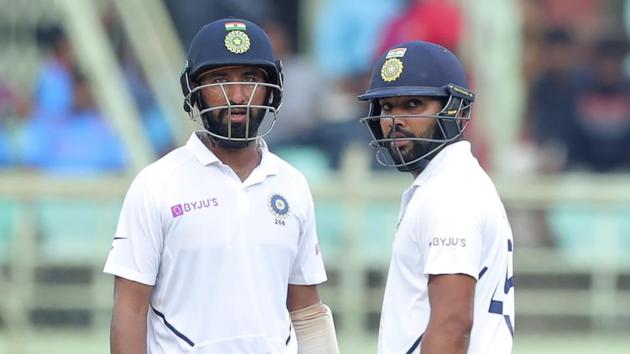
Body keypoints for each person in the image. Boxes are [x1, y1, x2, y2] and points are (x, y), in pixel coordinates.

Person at [104, 18, 339, 354]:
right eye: (220, 79)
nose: (238, 95)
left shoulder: (293, 185)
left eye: (250, 79)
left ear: (272, 89)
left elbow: (306, 312)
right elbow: (130, 309)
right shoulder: (156, 184)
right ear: (193, 90)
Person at [358, 41, 514, 354]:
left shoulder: (450, 193)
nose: (395, 120)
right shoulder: (448, 183)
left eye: (413, 104)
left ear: (454, 109)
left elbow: (452, 325)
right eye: (387, 107)